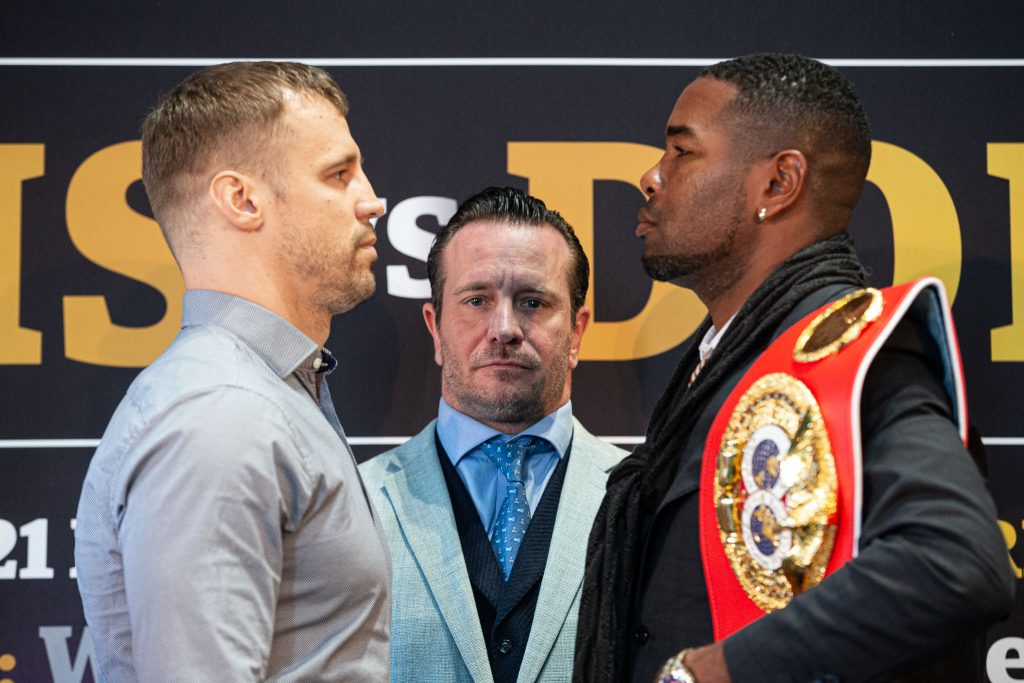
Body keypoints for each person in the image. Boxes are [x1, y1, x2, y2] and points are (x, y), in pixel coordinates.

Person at [574, 53, 1015, 683]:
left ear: (779, 184)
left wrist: (719, 669)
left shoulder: (855, 355)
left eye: (682, 152)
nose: (651, 175)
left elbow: (955, 562)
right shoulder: (725, 357)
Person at [74, 61, 391, 681]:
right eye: (338, 174)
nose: (372, 200)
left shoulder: (263, 393)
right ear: (242, 200)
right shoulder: (220, 412)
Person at [360, 186, 627, 682]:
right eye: (477, 300)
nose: (504, 328)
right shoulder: (357, 501)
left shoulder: (642, 498)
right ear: (435, 327)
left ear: (577, 332)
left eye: (532, 301)